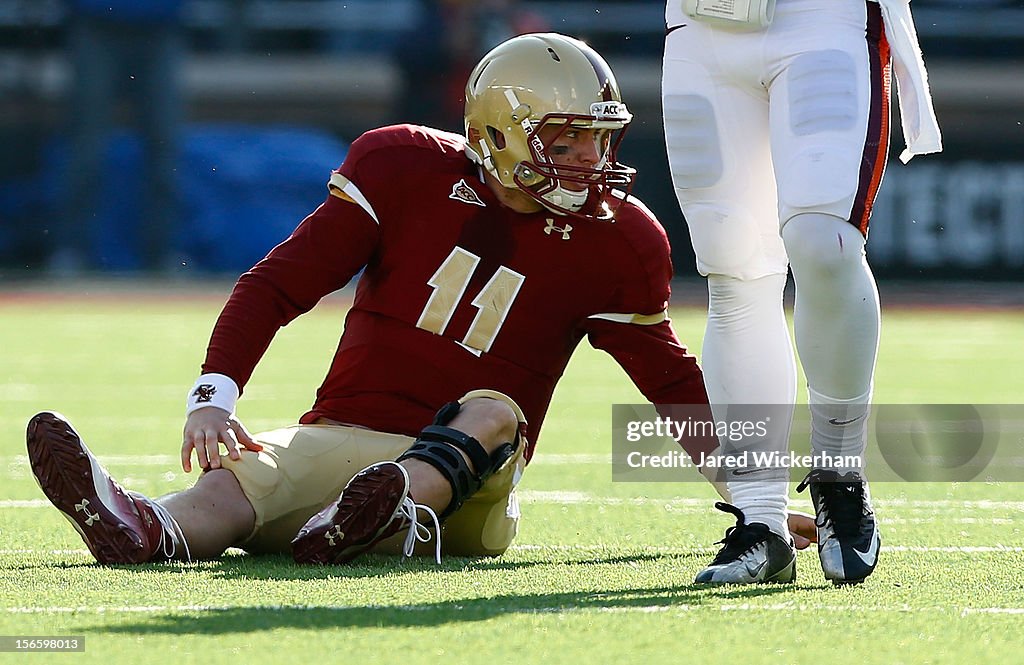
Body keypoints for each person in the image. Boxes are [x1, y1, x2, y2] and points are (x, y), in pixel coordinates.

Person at [27, 33, 730, 569]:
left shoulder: (618, 238)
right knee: (238, 476)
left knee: (490, 408)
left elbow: (671, 383)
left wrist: (755, 498)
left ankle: (381, 507)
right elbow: (276, 284)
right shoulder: (404, 166)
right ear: (495, 130)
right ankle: (147, 526)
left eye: (598, 138)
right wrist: (214, 398)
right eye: (565, 138)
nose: (587, 159)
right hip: (340, 437)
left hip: (470, 488)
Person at [661, 0, 942, 584]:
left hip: (824, 17)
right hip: (702, 24)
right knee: (735, 272)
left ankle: (839, 471)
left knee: (823, 238)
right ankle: (761, 520)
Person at [52, 0, 186, 273]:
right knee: (86, 149)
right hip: (96, 22)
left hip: (159, 25)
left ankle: (162, 253)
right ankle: (72, 249)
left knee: (164, 147)